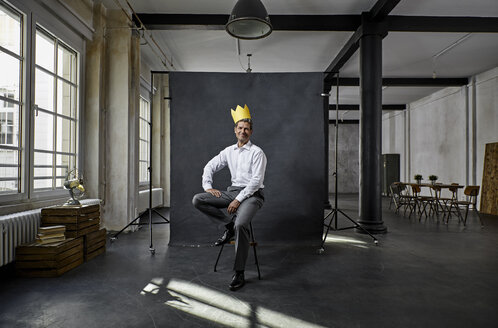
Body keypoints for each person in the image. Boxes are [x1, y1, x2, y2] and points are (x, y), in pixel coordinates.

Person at [192, 104, 267, 291]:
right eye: (240, 128)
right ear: (235, 130)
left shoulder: (257, 152)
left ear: (251, 132)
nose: (243, 131)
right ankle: (228, 225)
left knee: (242, 224)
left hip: (252, 194)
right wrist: (208, 187)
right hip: (232, 191)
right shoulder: (228, 151)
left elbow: (256, 181)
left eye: (247, 129)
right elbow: (209, 166)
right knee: (198, 199)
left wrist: (238, 200)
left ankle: (239, 272)